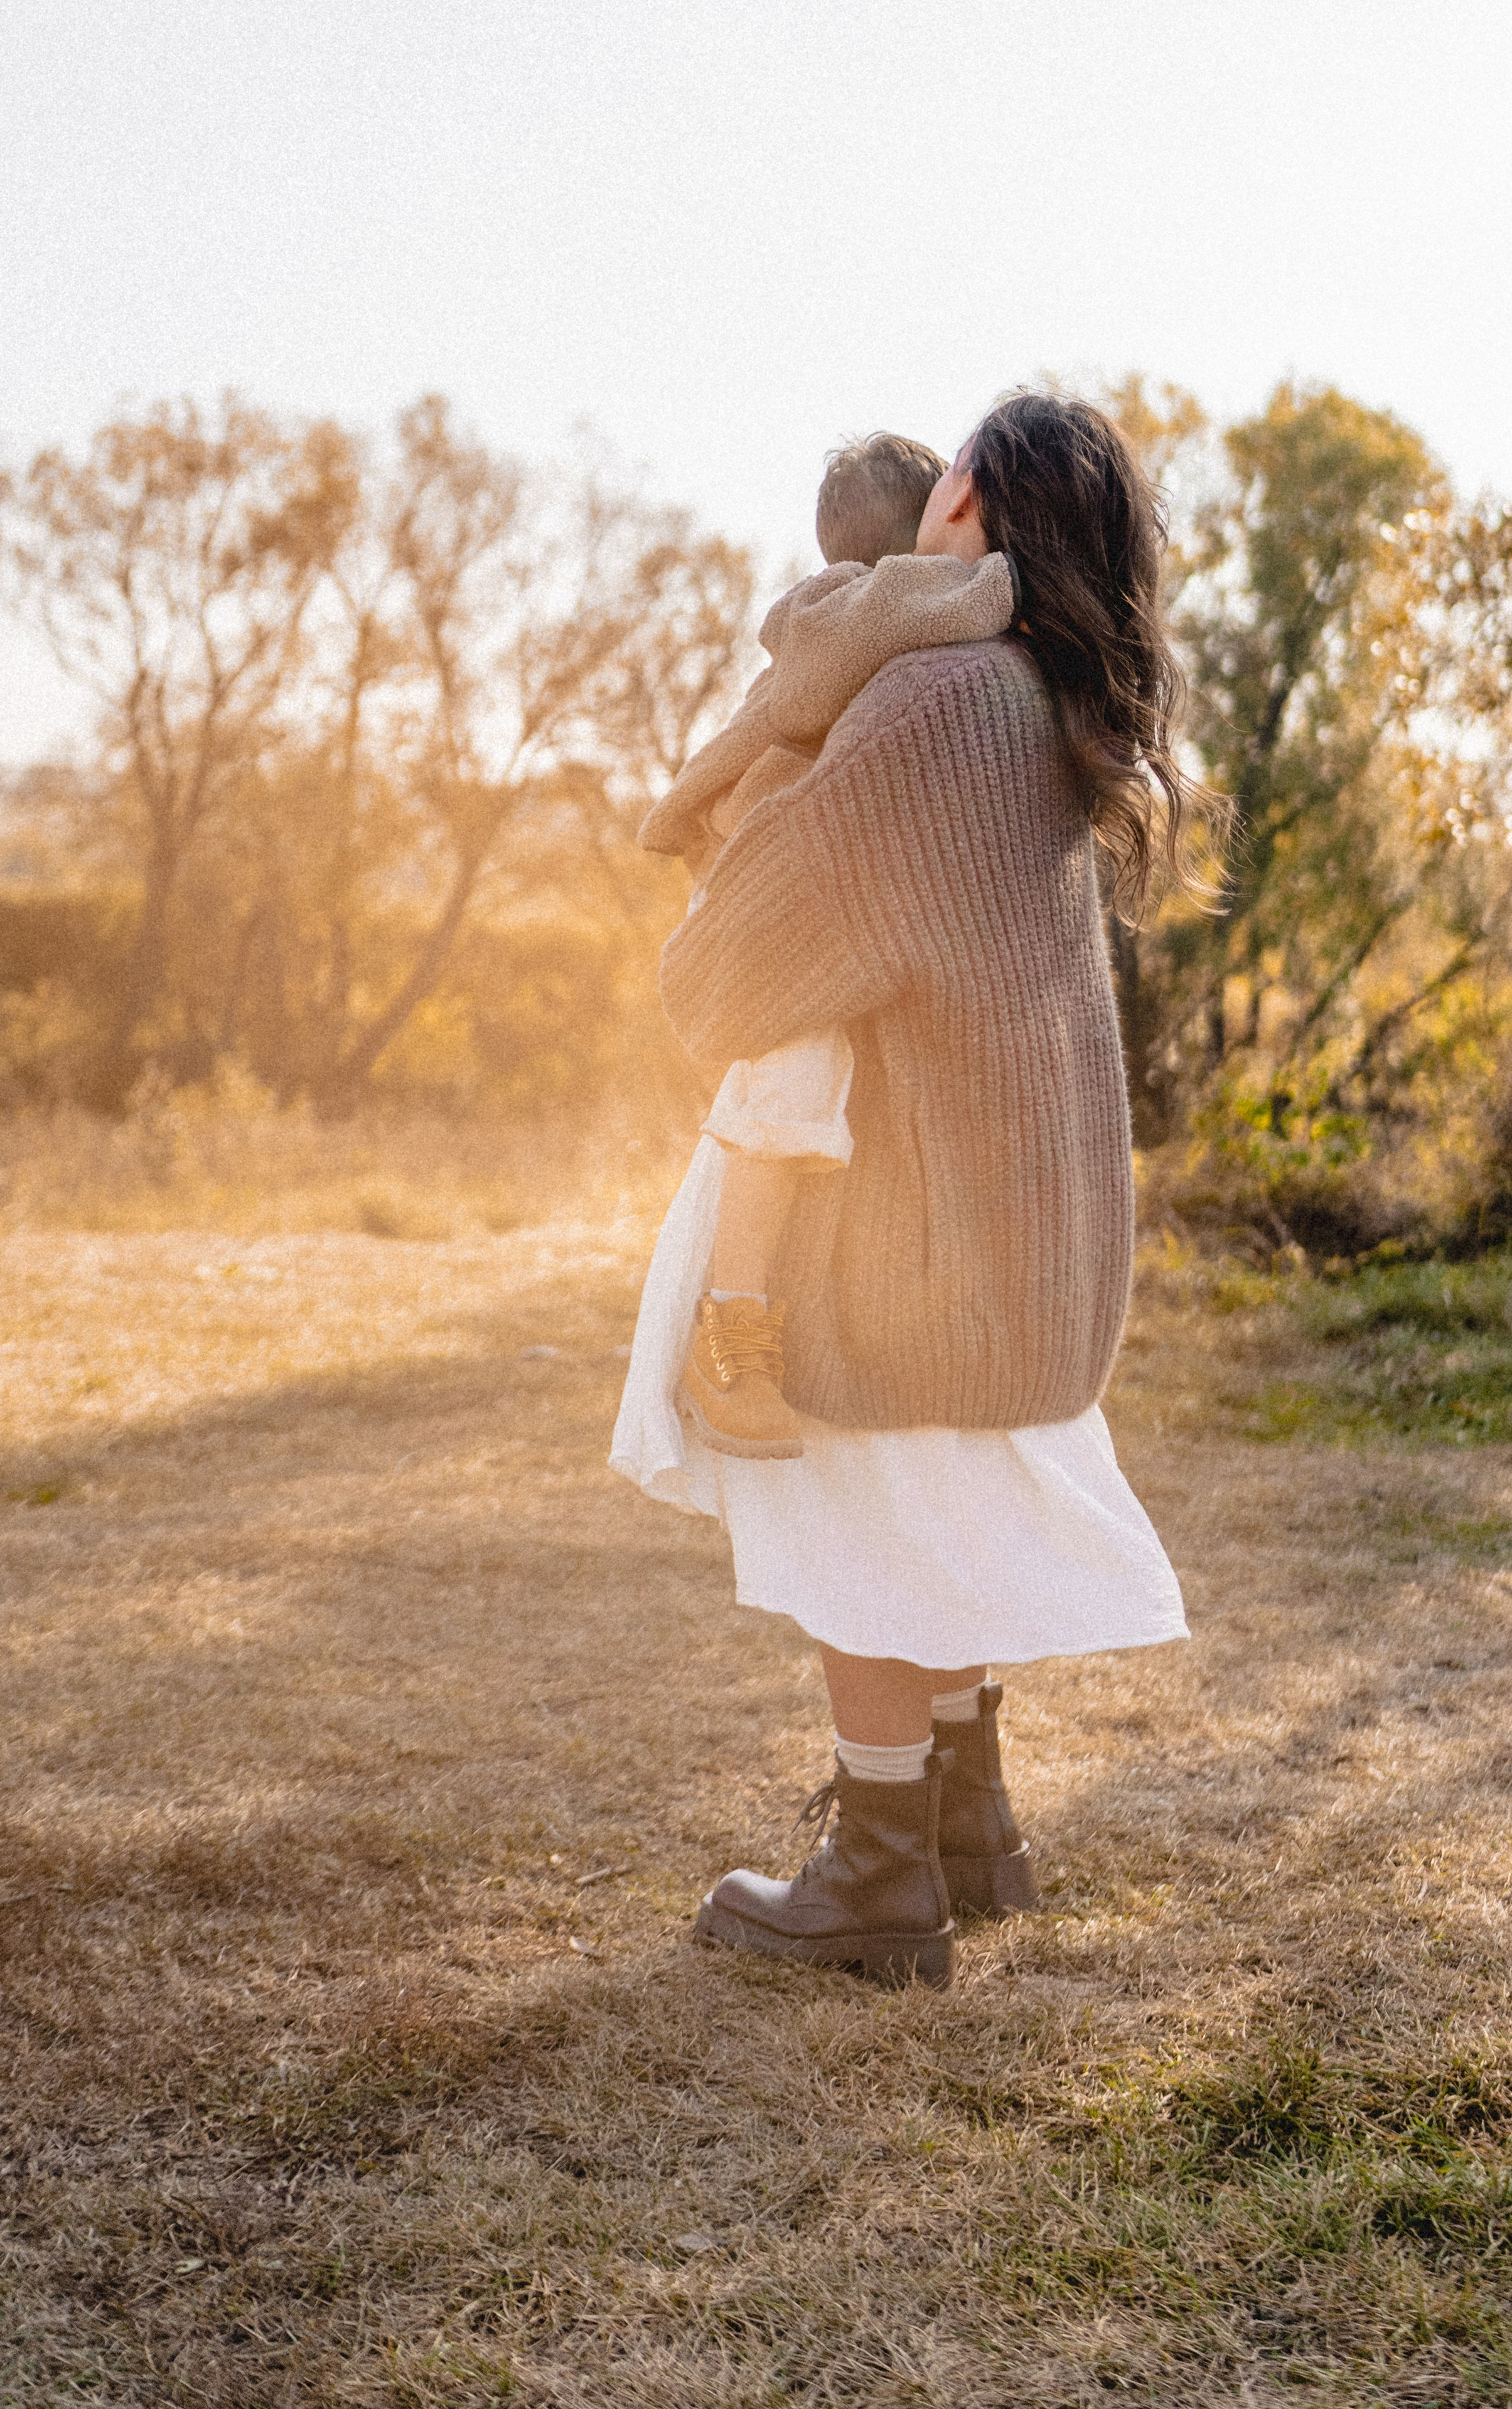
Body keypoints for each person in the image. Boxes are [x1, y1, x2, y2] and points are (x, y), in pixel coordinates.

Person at [612, 391, 1201, 1989]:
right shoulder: (1045, 698)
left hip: (905, 1203)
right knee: (941, 1506)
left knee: (860, 1518)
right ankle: (962, 1820)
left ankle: (877, 1871)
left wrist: (749, 825)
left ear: (974, 511)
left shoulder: (940, 692)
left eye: (952, 471)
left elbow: (751, 960)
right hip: (1014, 1197)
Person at [645, 434, 1015, 1461]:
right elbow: (975, 600)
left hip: (788, 894)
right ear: (913, 547)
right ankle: (730, 1335)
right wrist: (1019, 572)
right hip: (763, 905)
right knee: (790, 1082)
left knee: (818, 1086)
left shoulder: (851, 620)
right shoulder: (867, 612)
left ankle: (775, 1313)